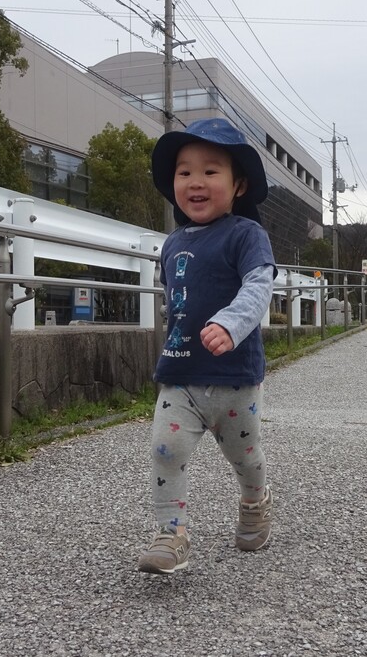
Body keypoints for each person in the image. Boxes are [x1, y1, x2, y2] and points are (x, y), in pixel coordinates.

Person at [138, 118, 277, 575]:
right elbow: (175, 302)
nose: (195, 182)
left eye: (211, 171)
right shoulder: (172, 242)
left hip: (235, 377)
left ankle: (255, 501)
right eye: (184, 172)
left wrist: (231, 324)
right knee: (165, 449)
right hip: (180, 374)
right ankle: (170, 534)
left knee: (246, 457)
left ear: (238, 185)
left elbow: (259, 287)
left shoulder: (246, 235)